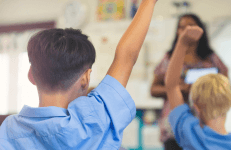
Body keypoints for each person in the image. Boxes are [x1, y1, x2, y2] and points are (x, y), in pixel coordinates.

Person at [0, 0, 157, 149]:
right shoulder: (96, 119)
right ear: (86, 78)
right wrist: (148, 2)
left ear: (31, 76)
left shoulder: (9, 130)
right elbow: (126, 57)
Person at [164, 25, 231, 150]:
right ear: (229, 103)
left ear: (196, 106)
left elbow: (171, 86)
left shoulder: (189, 133)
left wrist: (182, 42)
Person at [150, 14, 228, 150]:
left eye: (190, 26)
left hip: (205, 126)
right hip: (174, 129)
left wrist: (204, 89)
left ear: (200, 29)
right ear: (177, 31)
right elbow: (154, 89)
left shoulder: (211, 58)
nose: (186, 30)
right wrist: (176, 89)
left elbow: (226, 85)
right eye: (181, 27)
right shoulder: (169, 58)